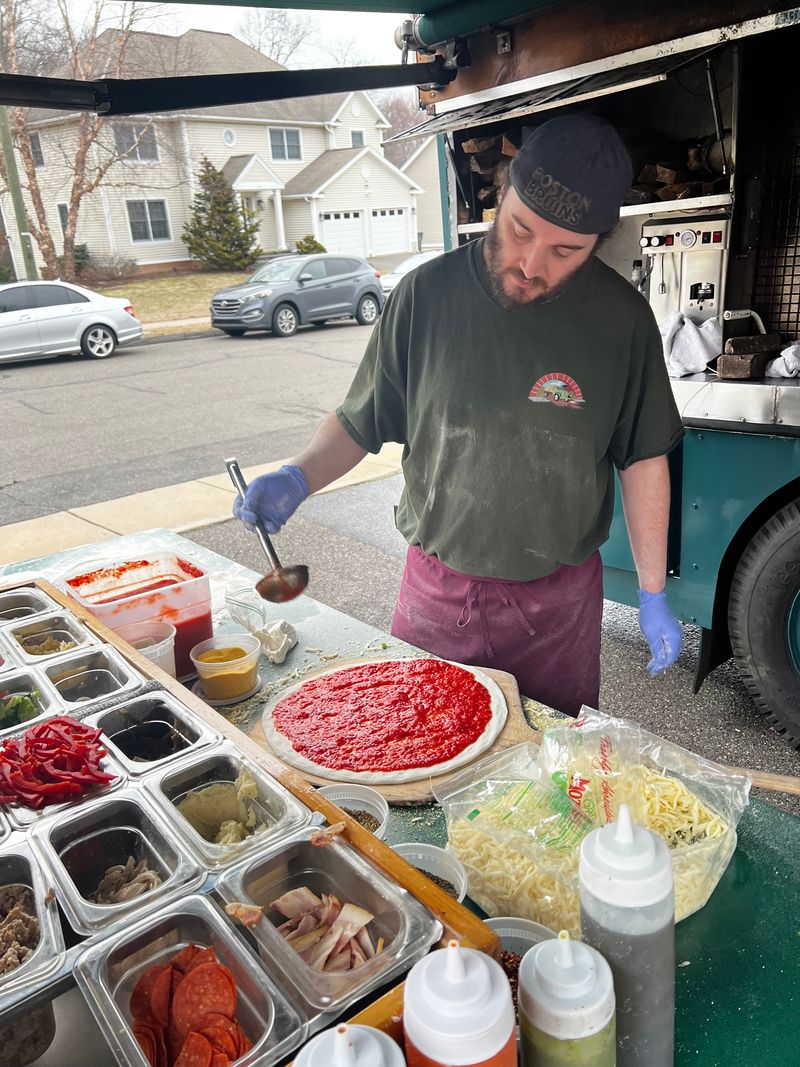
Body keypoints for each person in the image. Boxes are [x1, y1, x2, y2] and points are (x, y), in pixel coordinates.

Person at [234, 114, 684, 717]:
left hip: (558, 606)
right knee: (420, 744)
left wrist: (652, 591)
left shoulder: (622, 321)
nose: (532, 264)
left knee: (551, 757)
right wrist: (298, 474)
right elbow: (360, 422)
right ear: (502, 194)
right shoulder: (424, 296)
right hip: (437, 592)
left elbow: (643, 458)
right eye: (520, 230)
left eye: (564, 251)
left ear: (598, 242)